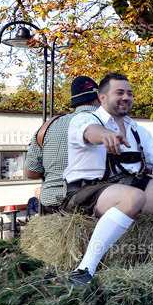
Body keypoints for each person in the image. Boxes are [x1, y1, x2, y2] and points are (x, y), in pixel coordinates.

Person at [62, 73, 153, 285]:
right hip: (86, 194)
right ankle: (85, 268)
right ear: (102, 98)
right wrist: (105, 135)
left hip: (129, 190)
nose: (126, 97)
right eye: (119, 92)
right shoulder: (85, 119)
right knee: (133, 197)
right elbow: (89, 132)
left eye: (129, 93)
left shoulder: (137, 130)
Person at [23, 76, 102, 214]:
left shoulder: (49, 126)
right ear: (100, 97)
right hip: (95, 206)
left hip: (53, 209)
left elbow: (30, 172)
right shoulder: (111, 124)